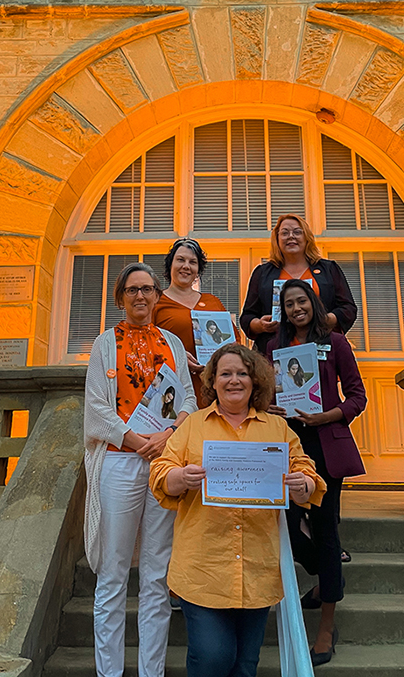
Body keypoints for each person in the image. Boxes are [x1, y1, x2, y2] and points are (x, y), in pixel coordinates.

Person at [149, 343, 326, 677]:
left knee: (245, 666)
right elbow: (160, 474)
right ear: (212, 381)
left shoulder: (277, 430)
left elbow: (307, 472)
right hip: (203, 568)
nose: (234, 380)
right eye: (225, 374)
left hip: (256, 568)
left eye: (242, 373)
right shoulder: (192, 426)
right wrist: (180, 477)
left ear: (254, 381)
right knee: (212, 657)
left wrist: (304, 483)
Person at [84, 262, 197, 677]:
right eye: (132, 290)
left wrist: (167, 437)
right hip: (119, 461)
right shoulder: (103, 344)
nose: (141, 297)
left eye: (148, 289)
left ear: (156, 294)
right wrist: (137, 441)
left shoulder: (170, 341)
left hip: (163, 465)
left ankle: (152, 672)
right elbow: (97, 409)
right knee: (112, 575)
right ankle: (109, 672)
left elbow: (187, 400)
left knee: (155, 576)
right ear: (120, 297)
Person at [267, 279, 367, 667]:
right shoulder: (273, 348)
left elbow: (357, 395)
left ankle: (326, 626)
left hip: (326, 444)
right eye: (289, 304)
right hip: (287, 445)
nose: (296, 309)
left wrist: (328, 415)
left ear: (314, 303)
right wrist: (273, 408)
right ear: (283, 311)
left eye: (302, 301)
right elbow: (267, 397)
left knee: (326, 529)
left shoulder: (337, 344)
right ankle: (327, 578)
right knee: (289, 525)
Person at [240, 213, 357, 356]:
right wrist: (260, 325)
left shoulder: (329, 269)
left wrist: (326, 319)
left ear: (307, 238)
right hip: (273, 352)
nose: (291, 236)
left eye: (297, 232)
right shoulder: (262, 273)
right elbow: (247, 317)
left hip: (321, 350)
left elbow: (348, 309)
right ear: (277, 239)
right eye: (284, 233)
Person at [153, 238, 239, 405]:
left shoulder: (213, 302)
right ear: (170, 265)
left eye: (193, 262)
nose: (186, 266)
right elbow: (142, 344)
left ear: (198, 269)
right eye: (180, 260)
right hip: (171, 391)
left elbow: (235, 344)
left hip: (213, 392)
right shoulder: (155, 302)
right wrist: (174, 355)